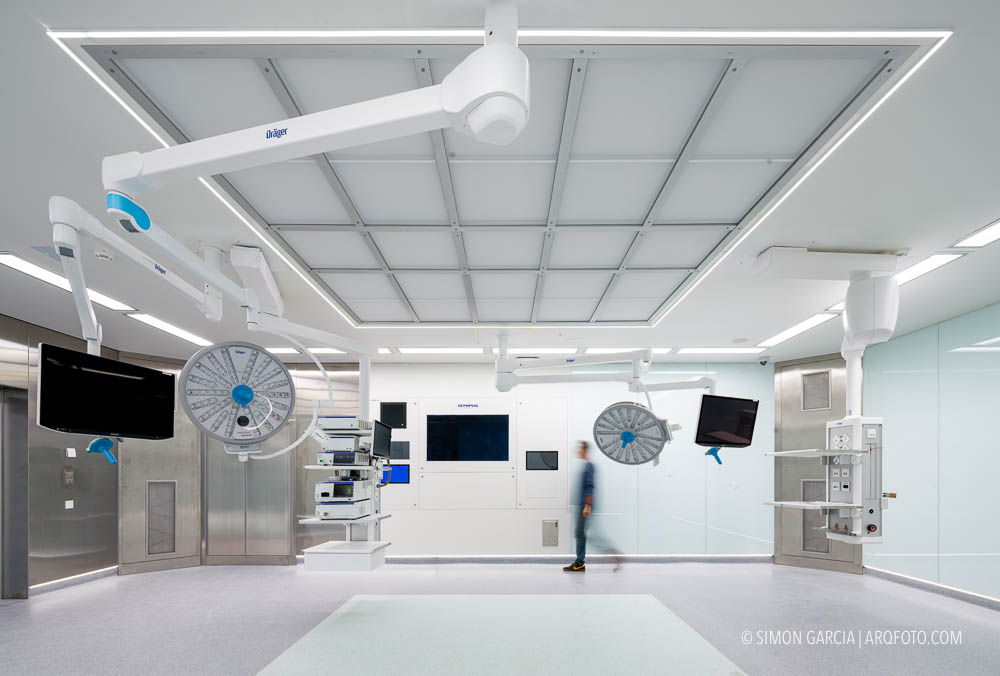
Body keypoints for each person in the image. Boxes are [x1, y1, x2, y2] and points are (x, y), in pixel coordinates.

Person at [563, 441, 622, 572]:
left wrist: (587, 505)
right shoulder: (585, 465)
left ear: (584, 450)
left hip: (584, 506)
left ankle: (609, 554)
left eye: (579, 449)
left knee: (582, 534)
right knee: (582, 534)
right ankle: (583, 561)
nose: (577, 451)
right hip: (582, 505)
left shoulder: (589, 465)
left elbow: (590, 486)